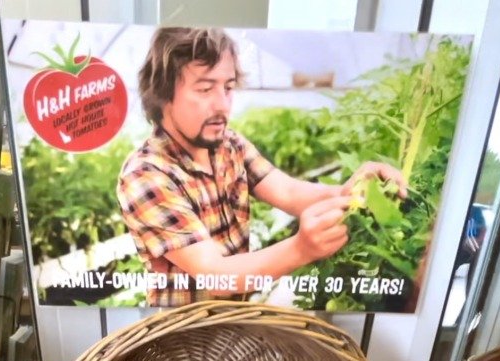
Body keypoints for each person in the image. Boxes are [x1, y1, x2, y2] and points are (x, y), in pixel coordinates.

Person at [117, 26, 407, 306]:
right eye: (205, 89)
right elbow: (214, 275)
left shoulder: (229, 145)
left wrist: (355, 191)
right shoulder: (146, 175)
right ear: (163, 95)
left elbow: (289, 192)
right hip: (186, 331)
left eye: (228, 87)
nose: (223, 105)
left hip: (238, 314)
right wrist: (300, 248)